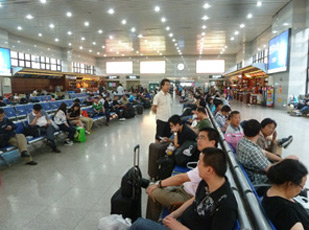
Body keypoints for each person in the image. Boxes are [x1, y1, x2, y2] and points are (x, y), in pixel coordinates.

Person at [130, 147, 238, 230]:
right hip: (181, 222)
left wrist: (178, 227)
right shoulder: (206, 182)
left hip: (181, 227)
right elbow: (194, 200)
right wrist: (174, 214)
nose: (197, 165)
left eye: (200, 163)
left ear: (209, 170)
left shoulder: (226, 206)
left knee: (139, 225)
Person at [146, 127, 220, 221]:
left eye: (202, 138)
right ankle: (151, 222)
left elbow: (182, 178)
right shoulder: (205, 155)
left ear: (212, 142)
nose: (198, 141)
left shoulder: (211, 162)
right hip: (184, 188)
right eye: (198, 138)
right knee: (153, 187)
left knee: (152, 190)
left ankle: (149, 224)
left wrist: (159, 184)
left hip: (187, 196)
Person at [237, 119, 297, 186]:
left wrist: (283, 160)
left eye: (273, 128)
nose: (271, 130)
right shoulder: (253, 151)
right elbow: (271, 170)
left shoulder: (242, 141)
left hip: (251, 174)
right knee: (289, 171)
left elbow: (266, 153)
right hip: (260, 181)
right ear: (259, 132)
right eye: (269, 127)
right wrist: (286, 161)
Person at [262, 159, 309, 230]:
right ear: (290, 184)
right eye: (301, 187)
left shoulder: (270, 192)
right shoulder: (286, 212)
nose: (301, 190)